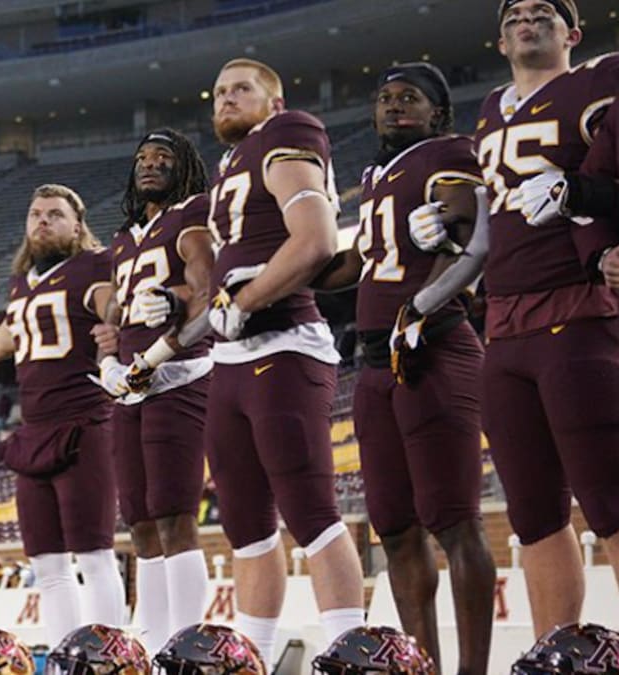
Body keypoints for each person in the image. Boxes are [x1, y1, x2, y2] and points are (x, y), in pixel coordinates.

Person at [412, 0, 619, 637]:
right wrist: (450, 230)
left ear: (573, 33)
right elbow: (500, 210)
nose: (527, 19)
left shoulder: (598, 82)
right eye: (515, 15)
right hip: (502, 326)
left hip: (577, 310)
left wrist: (585, 204)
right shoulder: (489, 111)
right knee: (533, 516)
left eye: (543, 12)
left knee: (610, 504)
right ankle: (553, 650)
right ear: (500, 42)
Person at [313, 63, 496, 674]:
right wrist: (283, 273)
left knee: (455, 521)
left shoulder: (451, 155)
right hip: (372, 362)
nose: (393, 107)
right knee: (393, 527)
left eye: (409, 97)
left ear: (438, 110)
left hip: (433, 348)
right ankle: (424, 667)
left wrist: (426, 300)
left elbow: (475, 240)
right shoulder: (375, 176)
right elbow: (360, 264)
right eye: (385, 98)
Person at [202, 58, 364, 659]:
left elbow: (318, 240)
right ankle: (250, 658)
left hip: (284, 343)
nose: (225, 99)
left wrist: (246, 299)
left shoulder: (286, 133)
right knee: (245, 528)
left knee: (311, 513)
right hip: (232, 357)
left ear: (274, 101)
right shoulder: (228, 165)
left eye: (241, 88)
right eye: (218, 92)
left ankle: (352, 652)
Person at [0, 184, 127, 648]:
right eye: (35, 213)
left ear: (77, 225)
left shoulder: (94, 265)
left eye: (55, 214)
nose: (42, 221)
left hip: (84, 420)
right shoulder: (23, 282)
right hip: (34, 428)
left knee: (95, 554)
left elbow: (114, 307)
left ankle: (106, 656)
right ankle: (66, 656)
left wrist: (115, 326)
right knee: (47, 562)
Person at [94, 128, 214, 652]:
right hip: (131, 387)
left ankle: (184, 643)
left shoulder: (190, 216)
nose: (150, 164)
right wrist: (110, 358)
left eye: (163, 157)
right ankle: (152, 641)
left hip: (179, 376)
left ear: (183, 165)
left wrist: (174, 299)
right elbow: (113, 319)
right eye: (142, 156)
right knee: (140, 519)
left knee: (173, 513)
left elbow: (210, 287)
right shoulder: (124, 239)